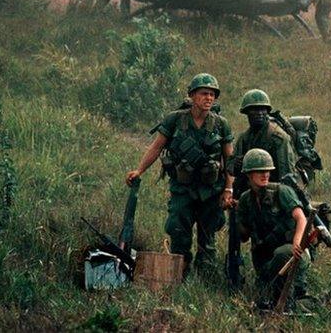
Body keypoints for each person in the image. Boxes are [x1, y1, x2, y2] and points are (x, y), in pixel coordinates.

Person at [125, 73, 235, 278]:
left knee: (207, 239)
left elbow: (230, 160)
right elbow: (156, 147)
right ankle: (180, 275)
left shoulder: (221, 124)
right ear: (192, 95)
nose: (209, 98)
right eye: (204, 93)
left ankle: (206, 279)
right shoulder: (175, 120)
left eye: (212, 94)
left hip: (210, 192)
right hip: (182, 191)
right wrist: (139, 170)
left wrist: (228, 189)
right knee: (178, 233)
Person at [235, 148, 311, 311]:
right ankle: (280, 299)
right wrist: (237, 216)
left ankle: (290, 301)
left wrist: (297, 242)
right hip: (265, 261)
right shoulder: (246, 200)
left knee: (283, 253)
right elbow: (243, 237)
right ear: (249, 174)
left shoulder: (281, 192)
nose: (265, 175)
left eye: (268, 171)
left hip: (292, 255)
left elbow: (301, 218)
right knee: (264, 293)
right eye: (260, 171)